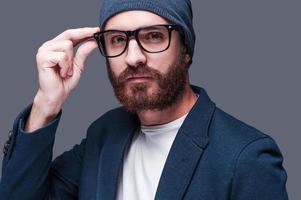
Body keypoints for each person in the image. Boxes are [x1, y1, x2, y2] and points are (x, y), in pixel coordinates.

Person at [0, 0, 288, 199]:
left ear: (185, 49)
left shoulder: (247, 158)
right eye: (117, 40)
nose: (133, 57)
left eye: (152, 36)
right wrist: (45, 105)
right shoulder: (104, 133)